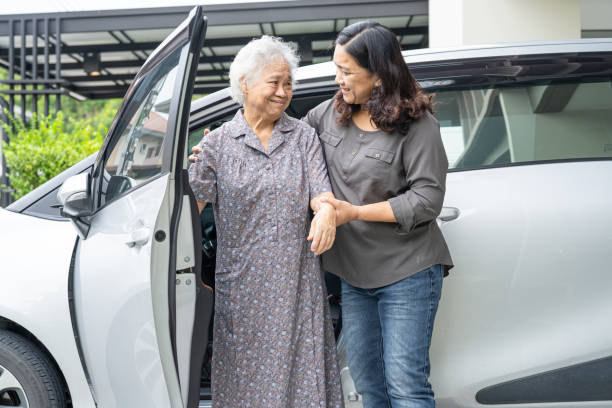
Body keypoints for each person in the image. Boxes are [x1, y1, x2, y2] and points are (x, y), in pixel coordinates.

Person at [303, 21, 454, 408]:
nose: (338, 80)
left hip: (408, 272)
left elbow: (426, 199)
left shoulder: (418, 125)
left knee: (406, 386)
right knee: (369, 385)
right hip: (355, 277)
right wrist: (221, 147)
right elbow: (289, 146)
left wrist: (353, 212)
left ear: (379, 75)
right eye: (336, 69)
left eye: (347, 72)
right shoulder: (327, 115)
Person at [188, 36, 344, 408]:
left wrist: (325, 212)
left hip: (296, 282)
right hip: (242, 288)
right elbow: (188, 208)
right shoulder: (217, 145)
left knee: (301, 379)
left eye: (288, 83)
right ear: (244, 83)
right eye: (274, 82)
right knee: (246, 382)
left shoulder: (303, 137)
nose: (283, 91)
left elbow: (320, 191)